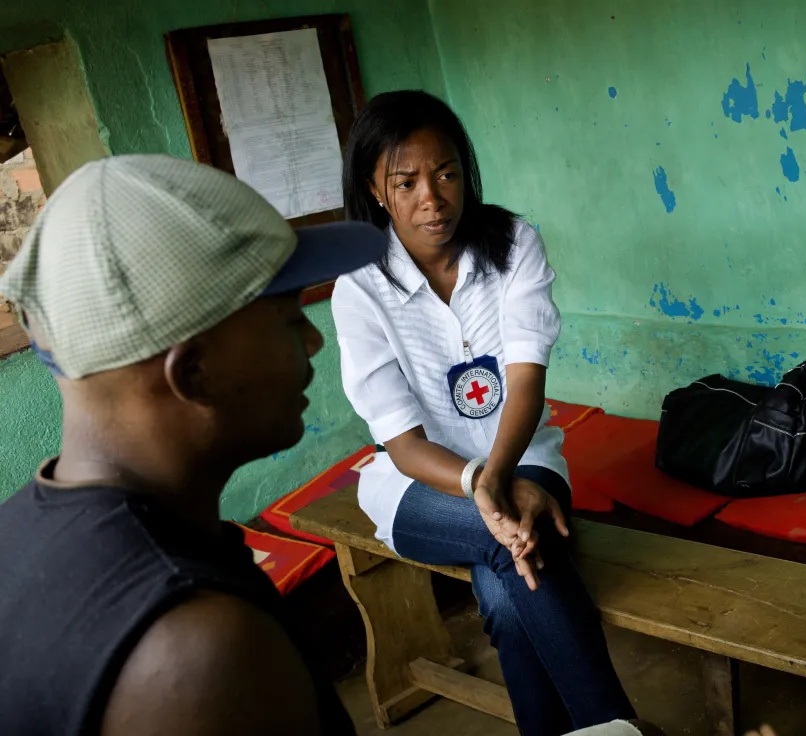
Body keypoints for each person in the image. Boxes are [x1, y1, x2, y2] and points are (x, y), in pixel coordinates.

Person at [0, 155, 387, 733]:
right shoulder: (201, 655)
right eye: (289, 319)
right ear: (194, 374)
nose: (313, 341)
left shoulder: (19, 533)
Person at [331, 89, 636, 735]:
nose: (432, 198)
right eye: (405, 182)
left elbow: (525, 381)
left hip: (526, 460)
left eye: (445, 174)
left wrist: (498, 474)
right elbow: (403, 444)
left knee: (506, 592)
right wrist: (481, 485)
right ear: (375, 189)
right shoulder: (359, 286)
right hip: (416, 483)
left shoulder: (513, 243)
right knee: (516, 557)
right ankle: (613, 725)